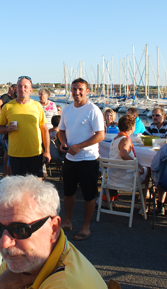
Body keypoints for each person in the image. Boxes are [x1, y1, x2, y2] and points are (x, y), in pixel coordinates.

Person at [0, 175, 107, 289]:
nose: (5, 243)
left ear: (53, 229)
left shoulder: (65, 284)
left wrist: (0, 285)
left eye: (19, 229)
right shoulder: (23, 258)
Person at [58, 78, 105, 240]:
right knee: (68, 192)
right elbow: (61, 131)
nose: (76, 92)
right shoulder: (67, 110)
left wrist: (79, 146)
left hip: (88, 159)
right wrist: (63, 143)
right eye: (74, 89)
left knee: (89, 194)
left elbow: (100, 135)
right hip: (70, 159)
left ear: (87, 91)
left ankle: (86, 226)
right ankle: (67, 221)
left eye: (80, 89)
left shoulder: (93, 110)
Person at [0, 76, 50, 176]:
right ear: (16, 89)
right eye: (20, 86)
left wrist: (47, 151)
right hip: (16, 155)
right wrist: (7, 128)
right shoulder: (8, 107)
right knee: (19, 187)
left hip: (36, 153)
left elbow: (44, 129)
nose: (22, 89)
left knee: (36, 186)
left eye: (25, 86)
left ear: (30, 90)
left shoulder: (37, 106)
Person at [106, 114, 150, 212]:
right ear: (132, 127)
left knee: (142, 171)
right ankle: (144, 205)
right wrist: (138, 165)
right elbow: (123, 154)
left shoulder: (115, 139)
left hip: (113, 178)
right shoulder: (125, 140)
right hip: (126, 180)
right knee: (148, 170)